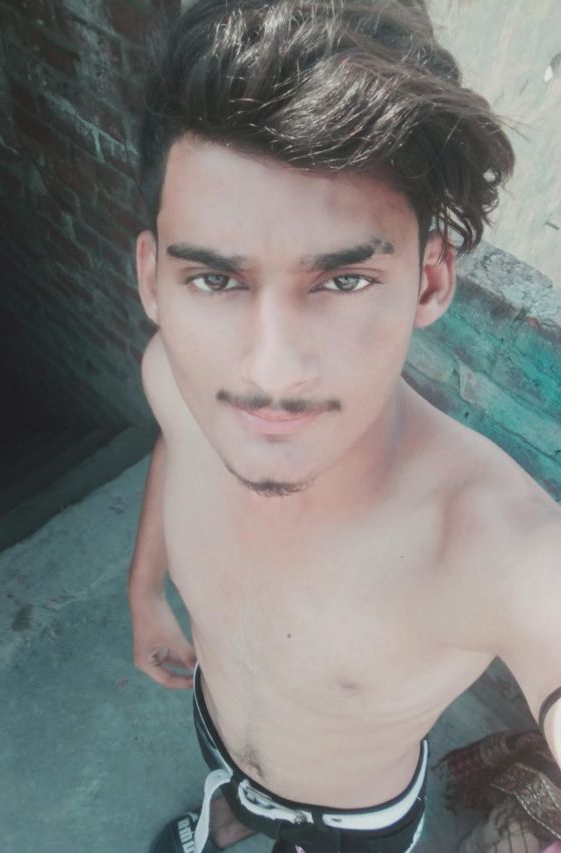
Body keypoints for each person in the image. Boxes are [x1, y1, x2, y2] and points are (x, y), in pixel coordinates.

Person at [126, 1, 561, 851]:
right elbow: (174, 444)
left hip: (356, 819)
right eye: (215, 280)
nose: (269, 371)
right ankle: (231, 811)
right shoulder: (173, 381)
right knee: (235, 791)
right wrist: (145, 591)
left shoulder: (494, 544)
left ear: (430, 281)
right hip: (218, 731)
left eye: (343, 280)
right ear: (152, 279)